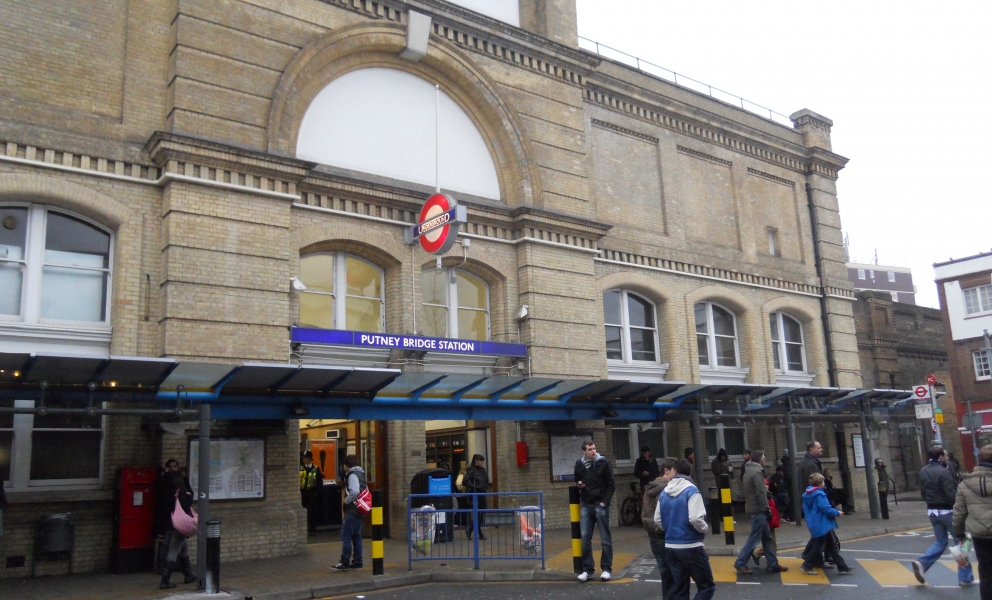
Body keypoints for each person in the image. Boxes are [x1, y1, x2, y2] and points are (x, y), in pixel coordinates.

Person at [911, 445, 974, 585]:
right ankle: (965, 577)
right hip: (947, 512)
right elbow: (951, 494)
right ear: (940, 457)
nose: (946, 458)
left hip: (932, 512)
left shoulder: (923, 471)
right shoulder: (943, 472)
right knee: (961, 543)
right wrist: (959, 508)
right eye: (944, 456)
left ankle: (922, 563)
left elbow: (923, 492)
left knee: (941, 541)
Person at [654, 458, 714, 600]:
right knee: (706, 586)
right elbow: (695, 519)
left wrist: (669, 529)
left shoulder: (664, 492)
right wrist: (704, 529)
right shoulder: (692, 491)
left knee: (680, 588)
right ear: (690, 473)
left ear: (674, 471)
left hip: (670, 546)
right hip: (691, 545)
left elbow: (657, 519)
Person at [734, 450, 788, 575]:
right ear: (761, 460)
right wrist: (766, 509)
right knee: (754, 538)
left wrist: (768, 494)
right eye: (764, 458)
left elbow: (760, 490)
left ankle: (773, 564)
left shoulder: (748, 470)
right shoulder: (757, 472)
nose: (765, 460)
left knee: (767, 538)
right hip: (758, 510)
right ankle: (740, 562)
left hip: (753, 508)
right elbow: (760, 493)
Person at [573, 440, 616, 582]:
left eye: (594, 448)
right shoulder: (579, 464)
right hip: (586, 504)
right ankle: (587, 570)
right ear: (584, 451)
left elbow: (611, 484)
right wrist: (579, 485)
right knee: (585, 539)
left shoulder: (603, 463)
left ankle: (606, 569)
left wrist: (604, 502)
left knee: (605, 539)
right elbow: (577, 479)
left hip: (600, 504)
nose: (593, 451)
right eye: (590, 449)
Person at [953, 444, 992, 596]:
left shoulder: (965, 484)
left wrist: (959, 534)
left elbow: (959, 512)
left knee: (986, 571)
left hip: (979, 535)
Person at [153, 459, 197, 589]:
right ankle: (165, 580)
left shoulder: (164, 488)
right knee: (174, 549)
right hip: (179, 524)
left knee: (183, 548)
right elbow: (187, 504)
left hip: (168, 523)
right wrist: (188, 496)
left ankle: (188, 575)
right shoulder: (180, 493)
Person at [800, 473, 854, 575]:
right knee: (818, 546)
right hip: (822, 523)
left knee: (831, 546)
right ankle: (806, 565)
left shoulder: (808, 494)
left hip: (816, 523)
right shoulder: (820, 494)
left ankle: (842, 566)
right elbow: (826, 509)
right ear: (819, 483)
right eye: (823, 481)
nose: (824, 483)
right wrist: (837, 512)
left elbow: (805, 509)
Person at [642, 457, 677, 599]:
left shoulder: (651, 487)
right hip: (667, 534)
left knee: (665, 572)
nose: (678, 475)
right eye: (676, 471)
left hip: (653, 534)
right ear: (666, 471)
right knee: (675, 573)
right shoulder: (668, 488)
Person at [332, 454, 367, 570]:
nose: (344, 466)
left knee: (346, 535)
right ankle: (358, 561)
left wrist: (346, 501)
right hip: (361, 509)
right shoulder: (361, 474)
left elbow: (355, 491)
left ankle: (344, 561)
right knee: (356, 536)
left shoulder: (352, 475)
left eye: (345, 464)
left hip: (353, 509)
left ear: (348, 464)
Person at [462, 454, 489, 541]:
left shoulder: (483, 470)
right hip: (475, 495)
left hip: (482, 495)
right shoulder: (472, 471)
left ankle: (470, 530)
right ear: (476, 461)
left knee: (482, 515)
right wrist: (474, 486)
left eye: (482, 461)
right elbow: (465, 481)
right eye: (480, 461)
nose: (482, 463)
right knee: (477, 515)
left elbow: (485, 480)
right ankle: (480, 534)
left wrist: (485, 486)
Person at [299, 450, 323, 535]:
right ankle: (302, 529)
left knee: (312, 513)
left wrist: (316, 494)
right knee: (301, 512)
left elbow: (319, 483)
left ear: (309, 459)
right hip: (302, 494)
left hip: (312, 494)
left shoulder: (316, 469)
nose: (303, 460)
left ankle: (312, 529)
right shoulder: (300, 469)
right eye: (303, 458)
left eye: (305, 458)